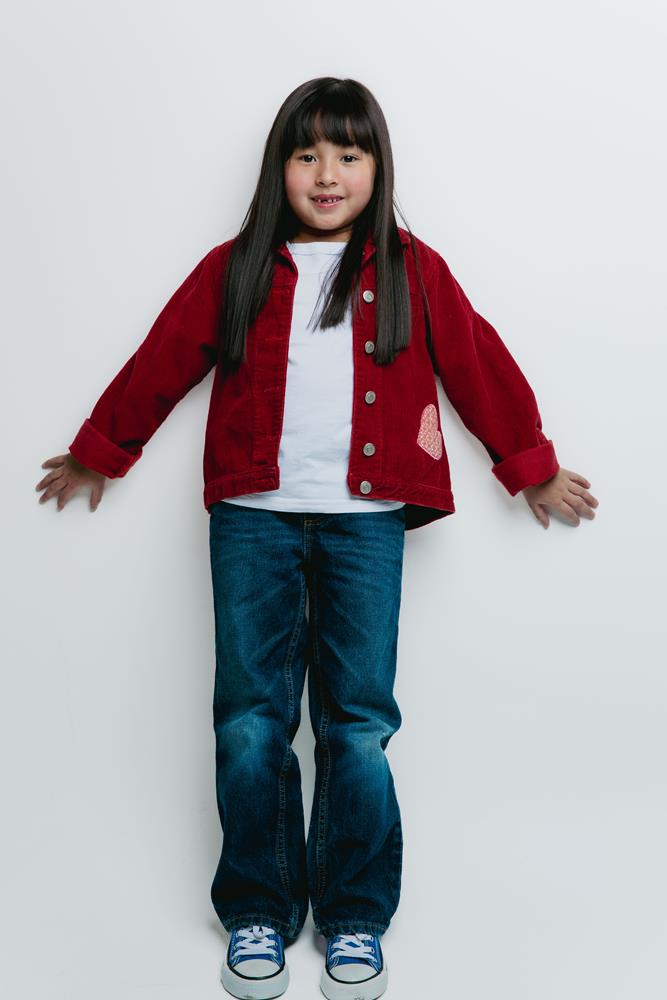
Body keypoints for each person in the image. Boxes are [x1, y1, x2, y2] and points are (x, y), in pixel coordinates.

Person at [35, 76, 598, 1000]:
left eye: (347, 154)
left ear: (377, 167)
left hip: (366, 528)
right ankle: (257, 907)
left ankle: (354, 917)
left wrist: (529, 462)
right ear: (279, 169)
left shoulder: (413, 269)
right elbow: (163, 358)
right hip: (251, 521)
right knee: (250, 719)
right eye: (306, 155)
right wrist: (102, 450)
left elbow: (476, 361)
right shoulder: (235, 268)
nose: (327, 174)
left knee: (358, 724)